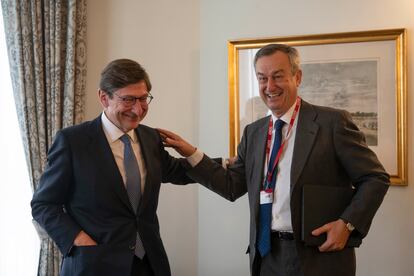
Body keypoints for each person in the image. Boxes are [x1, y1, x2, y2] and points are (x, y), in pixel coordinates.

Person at [159, 43, 390, 276]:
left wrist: (347, 224)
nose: (269, 86)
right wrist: (191, 153)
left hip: (319, 257)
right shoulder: (253, 132)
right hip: (266, 255)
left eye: (277, 76)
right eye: (262, 78)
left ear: (297, 77)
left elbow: (375, 178)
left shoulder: (332, 123)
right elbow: (231, 186)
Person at [31, 59, 199, 276]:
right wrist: (78, 240)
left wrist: (216, 159)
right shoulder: (73, 141)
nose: (138, 110)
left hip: (150, 264)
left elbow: (178, 171)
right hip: (94, 264)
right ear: (104, 98)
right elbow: (43, 204)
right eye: (128, 100)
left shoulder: (150, 137)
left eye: (143, 99)